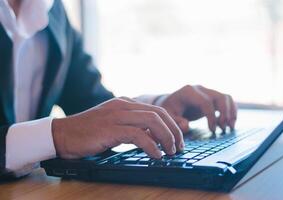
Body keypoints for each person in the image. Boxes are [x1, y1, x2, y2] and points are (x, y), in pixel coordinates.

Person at [0, 0, 237, 178]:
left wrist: (157, 108)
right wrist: (59, 135)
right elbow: (72, 132)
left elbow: (91, 106)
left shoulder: (51, 9)